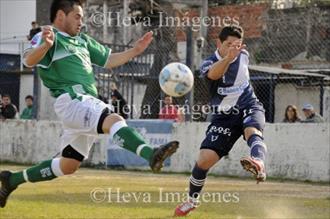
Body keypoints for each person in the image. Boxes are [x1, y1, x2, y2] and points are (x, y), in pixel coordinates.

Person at [0, 0, 179, 208]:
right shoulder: (48, 35)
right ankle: (150, 154)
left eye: (82, 17)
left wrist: (135, 51)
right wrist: (45, 46)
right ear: (60, 16)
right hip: (73, 100)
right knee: (114, 119)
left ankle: (11, 180)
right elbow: (28, 61)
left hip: (84, 103)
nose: (81, 22)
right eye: (77, 16)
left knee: (68, 165)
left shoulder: (83, 40)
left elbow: (109, 60)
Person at [174, 25, 267, 216]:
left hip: (249, 105)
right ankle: (192, 201)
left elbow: (238, 60)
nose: (234, 48)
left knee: (253, 131)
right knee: (204, 160)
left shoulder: (244, 55)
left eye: (238, 45)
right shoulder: (208, 63)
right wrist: (228, 58)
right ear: (219, 43)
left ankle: (258, 162)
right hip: (224, 116)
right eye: (229, 44)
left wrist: (234, 53)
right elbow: (213, 75)